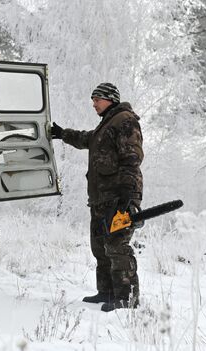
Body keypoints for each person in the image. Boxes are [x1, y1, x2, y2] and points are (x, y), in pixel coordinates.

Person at [51, 83, 144, 312]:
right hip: (101, 199)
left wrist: (127, 196)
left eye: (97, 99)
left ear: (110, 99)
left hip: (118, 198)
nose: (93, 104)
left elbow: (132, 158)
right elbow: (87, 139)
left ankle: (126, 298)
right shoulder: (106, 125)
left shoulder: (124, 120)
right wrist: (62, 134)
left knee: (117, 246)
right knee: (100, 247)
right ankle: (107, 292)